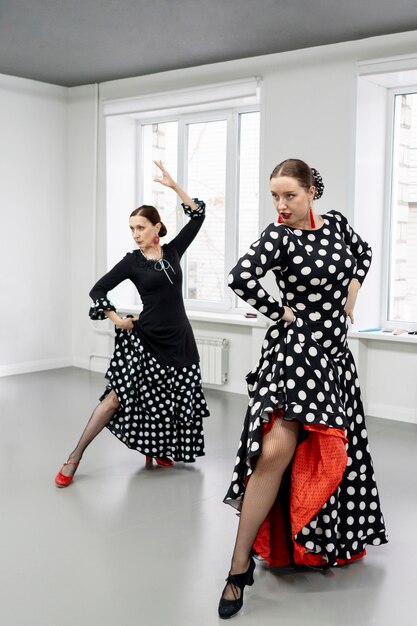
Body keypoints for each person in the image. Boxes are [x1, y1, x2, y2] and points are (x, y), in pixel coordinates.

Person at [218, 158, 388, 619]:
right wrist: (280, 312)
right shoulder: (278, 236)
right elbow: (239, 277)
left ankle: (314, 543)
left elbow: (364, 251)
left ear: (313, 191)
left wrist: (353, 287)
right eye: (274, 195)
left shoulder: (336, 226)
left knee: (327, 453)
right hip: (295, 352)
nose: (281, 204)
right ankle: (238, 568)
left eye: (289, 195)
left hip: (334, 356)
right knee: (274, 450)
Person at [54, 161, 209, 487]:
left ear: (157, 228)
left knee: (170, 399)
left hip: (180, 339)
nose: (136, 234)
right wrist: (115, 318)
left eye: (141, 227)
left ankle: (156, 449)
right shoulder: (131, 262)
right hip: (145, 340)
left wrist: (173, 186)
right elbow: (98, 289)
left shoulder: (174, 251)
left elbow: (197, 216)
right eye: (132, 229)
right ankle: (74, 456)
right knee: (115, 399)